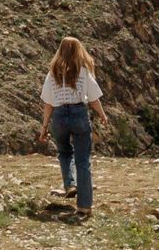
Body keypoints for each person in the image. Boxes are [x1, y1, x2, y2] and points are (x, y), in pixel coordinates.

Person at [38, 37, 107, 223]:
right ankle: (84, 206)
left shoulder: (52, 73)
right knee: (83, 160)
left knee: (64, 152)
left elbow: (48, 103)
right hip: (79, 113)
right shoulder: (83, 71)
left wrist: (44, 127)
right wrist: (102, 115)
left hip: (59, 116)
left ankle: (70, 184)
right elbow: (93, 98)